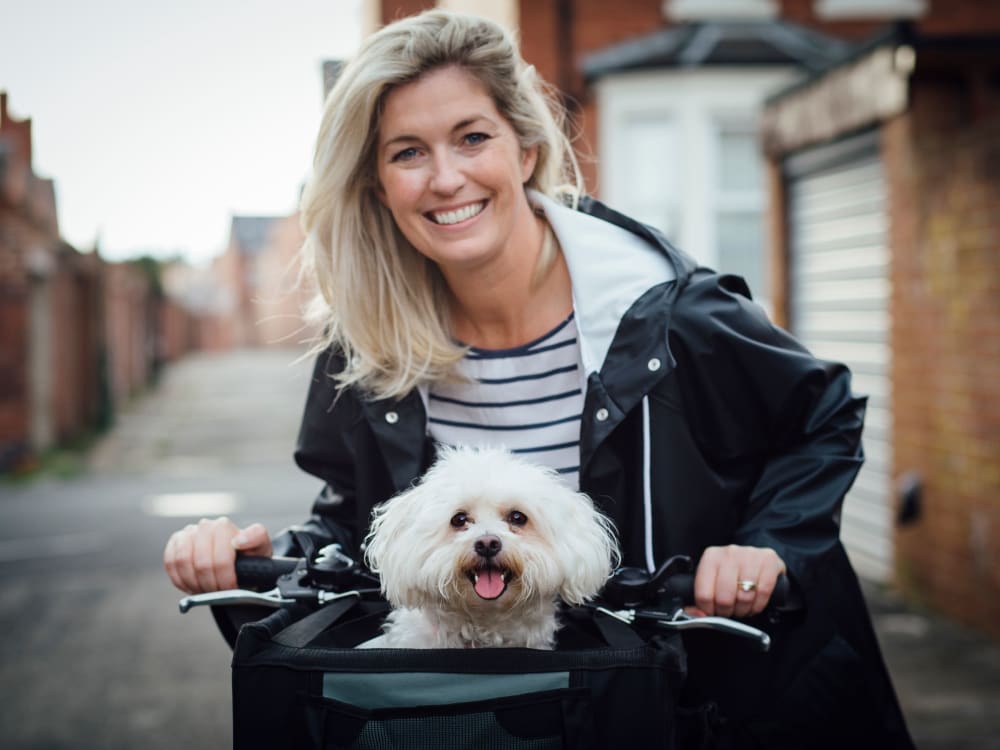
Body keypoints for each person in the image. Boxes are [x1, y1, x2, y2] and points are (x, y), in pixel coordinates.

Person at [164, 10, 913, 748]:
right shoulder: (367, 350)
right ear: (377, 185)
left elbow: (824, 416)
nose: (446, 177)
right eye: (407, 152)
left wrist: (769, 544)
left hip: (726, 705)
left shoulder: (671, 313)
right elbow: (355, 525)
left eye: (472, 137)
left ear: (524, 149)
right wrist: (242, 556)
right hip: (515, 717)